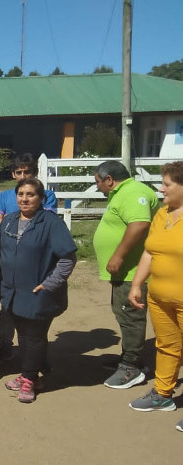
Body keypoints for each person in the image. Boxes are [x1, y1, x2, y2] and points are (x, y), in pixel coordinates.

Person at [0, 178, 76, 403]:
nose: (24, 199)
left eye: (30, 194)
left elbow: (67, 258)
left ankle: (31, 379)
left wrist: (50, 283)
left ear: (41, 198)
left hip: (38, 292)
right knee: (22, 334)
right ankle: (28, 373)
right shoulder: (9, 221)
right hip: (13, 291)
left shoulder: (51, 223)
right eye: (21, 194)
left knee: (34, 336)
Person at [92, 160, 158, 389]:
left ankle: (132, 367)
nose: (98, 187)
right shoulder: (123, 192)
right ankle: (129, 357)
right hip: (125, 272)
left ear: (109, 179)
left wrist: (118, 255)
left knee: (130, 316)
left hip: (132, 271)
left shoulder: (133, 192)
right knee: (124, 314)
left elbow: (139, 225)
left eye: (98, 182)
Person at [0, 153, 58, 365]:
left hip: (35, 259)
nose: (22, 175)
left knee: (34, 311)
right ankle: (5, 346)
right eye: (18, 172)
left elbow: (44, 219)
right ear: (13, 174)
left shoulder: (46, 195)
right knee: (6, 306)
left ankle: (36, 355)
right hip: (9, 255)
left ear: (34, 173)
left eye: (27, 172)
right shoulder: (5, 196)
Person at [127, 161, 183, 423]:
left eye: (167, 184)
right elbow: (150, 251)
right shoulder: (163, 213)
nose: (161, 189)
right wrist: (137, 284)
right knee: (167, 346)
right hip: (159, 297)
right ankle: (163, 394)